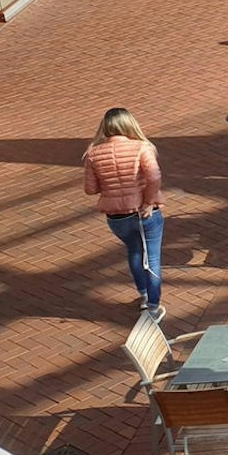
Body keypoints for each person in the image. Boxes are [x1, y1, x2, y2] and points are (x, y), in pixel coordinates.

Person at [83, 108, 165, 315]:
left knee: (135, 251)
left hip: (116, 217)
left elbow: (90, 189)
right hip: (144, 212)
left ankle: (143, 294)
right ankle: (153, 306)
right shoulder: (142, 148)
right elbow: (154, 177)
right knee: (152, 257)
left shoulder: (93, 153)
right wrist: (148, 202)